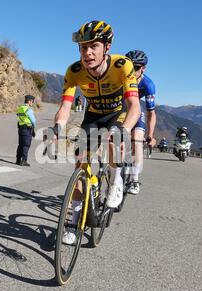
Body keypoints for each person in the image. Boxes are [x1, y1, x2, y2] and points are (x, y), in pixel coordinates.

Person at [46, 20, 141, 244]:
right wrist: (57, 128)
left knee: (112, 138)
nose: (87, 52)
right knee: (80, 165)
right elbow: (65, 107)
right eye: (82, 47)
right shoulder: (75, 71)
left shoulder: (122, 65)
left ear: (107, 47)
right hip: (93, 116)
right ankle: (73, 222)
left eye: (93, 46)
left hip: (117, 114)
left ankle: (116, 182)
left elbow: (135, 107)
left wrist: (125, 130)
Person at [124, 50, 157, 195]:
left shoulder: (148, 85)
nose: (132, 71)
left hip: (136, 112)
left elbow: (151, 113)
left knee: (137, 140)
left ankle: (135, 179)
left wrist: (150, 135)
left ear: (143, 68)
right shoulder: (119, 76)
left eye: (136, 68)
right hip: (119, 111)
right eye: (129, 66)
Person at [16, 95, 37, 167]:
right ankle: (24, 161)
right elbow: (33, 121)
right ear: (29, 101)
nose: (32, 103)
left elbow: (19, 117)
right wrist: (34, 128)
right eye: (32, 101)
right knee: (26, 145)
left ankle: (18, 160)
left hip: (21, 128)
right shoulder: (28, 109)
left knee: (20, 145)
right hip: (27, 129)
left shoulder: (20, 108)